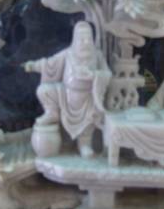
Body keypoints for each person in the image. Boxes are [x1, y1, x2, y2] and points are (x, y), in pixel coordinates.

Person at [24, 21, 111, 158]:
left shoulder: (97, 55)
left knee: (89, 121)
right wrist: (34, 66)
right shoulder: (68, 54)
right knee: (44, 90)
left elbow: (107, 74)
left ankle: (84, 145)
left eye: (88, 38)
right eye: (81, 39)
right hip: (65, 94)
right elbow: (50, 64)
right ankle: (52, 112)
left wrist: (94, 75)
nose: (85, 43)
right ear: (75, 39)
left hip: (88, 98)